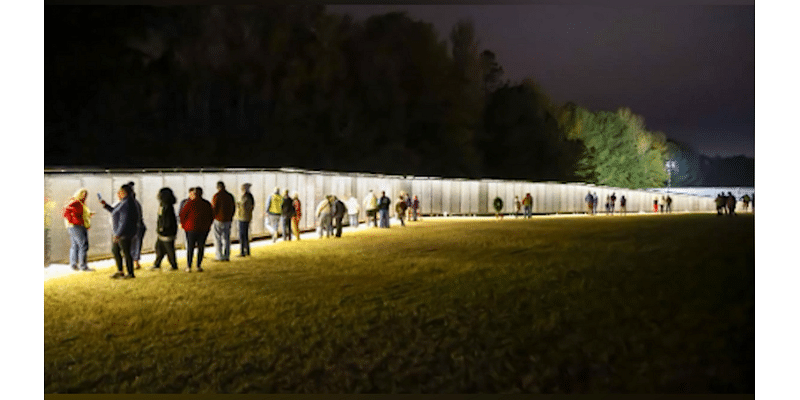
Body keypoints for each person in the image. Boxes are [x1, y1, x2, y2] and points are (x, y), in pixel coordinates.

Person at [100, 184, 139, 279]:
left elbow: (123, 220)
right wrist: (106, 206)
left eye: (119, 191)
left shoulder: (126, 203)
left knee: (126, 252)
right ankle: (120, 270)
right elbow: (115, 212)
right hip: (121, 232)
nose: (117, 193)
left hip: (124, 233)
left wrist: (118, 234)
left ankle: (130, 273)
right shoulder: (125, 202)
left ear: (124, 192)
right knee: (116, 250)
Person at [179, 187, 214, 272]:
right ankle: (198, 265)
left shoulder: (189, 203)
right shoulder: (206, 204)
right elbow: (211, 215)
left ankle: (189, 266)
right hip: (203, 229)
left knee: (190, 247)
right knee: (201, 247)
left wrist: (184, 225)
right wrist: (208, 225)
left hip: (190, 229)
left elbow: (182, 215)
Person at [63, 188, 95, 272]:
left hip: (78, 225)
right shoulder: (76, 202)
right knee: (83, 245)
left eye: (85, 194)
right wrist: (72, 221)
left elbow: (79, 213)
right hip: (77, 226)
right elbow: (66, 212)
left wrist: (89, 214)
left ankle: (73, 264)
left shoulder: (81, 203)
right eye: (82, 194)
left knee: (75, 245)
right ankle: (83, 266)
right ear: (78, 194)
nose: (84, 196)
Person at [151, 187, 178, 270]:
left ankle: (173, 265)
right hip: (162, 231)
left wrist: (163, 228)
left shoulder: (167, 206)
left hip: (167, 231)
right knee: (159, 248)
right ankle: (157, 264)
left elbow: (167, 219)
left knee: (169, 249)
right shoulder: (163, 205)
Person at [212, 181, 236, 261]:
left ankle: (219, 256)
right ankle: (227, 255)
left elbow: (214, 208)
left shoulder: (216, 196)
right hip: (228, 220)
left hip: (218, 219)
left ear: (217, 187)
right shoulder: (230, 196)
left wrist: (213, 217)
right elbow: (233, 208)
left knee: (218, 238)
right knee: (226, 238)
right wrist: (231, 217)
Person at [126, 182, 146, 270]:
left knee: (134, 244)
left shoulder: (130, 203)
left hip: (135, 227)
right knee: (136, 244)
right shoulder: (135, 203)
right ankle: (135, 261)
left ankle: (134, 261)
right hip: (138, 226)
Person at [235, 183, 255, 257]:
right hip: (246, 217)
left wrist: (238, 204)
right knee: (245, 235)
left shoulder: (246, 197)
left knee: (242, 235)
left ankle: (242, 251)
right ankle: (246, 250)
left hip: (243, 217)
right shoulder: (250, 196)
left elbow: (243, 205)